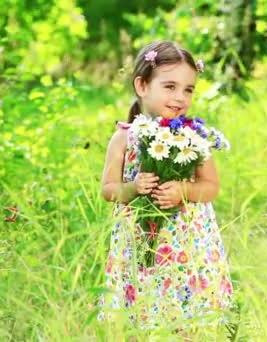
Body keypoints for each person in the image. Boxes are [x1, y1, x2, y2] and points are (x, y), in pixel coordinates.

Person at [97, 40, 235, 337]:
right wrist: (133, 187)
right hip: (138, 240)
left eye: (188, 89)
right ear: (142, 85)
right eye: (170, 86)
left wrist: (184, 190)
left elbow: (211, 187)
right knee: (141, 307)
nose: (180, 97)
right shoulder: (124, 138)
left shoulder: (194, 138)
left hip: (186, 244)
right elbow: (108, 189)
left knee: (187, 309)